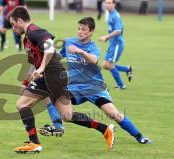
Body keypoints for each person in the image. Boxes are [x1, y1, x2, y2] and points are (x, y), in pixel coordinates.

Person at [9, 6, 115, 153]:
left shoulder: (34, 31)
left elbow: (50, 48)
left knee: (21, 105)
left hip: (50, 76)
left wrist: (41, 69)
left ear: (20, 20)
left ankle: (34, 143)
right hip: (57, 77)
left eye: (13, 25)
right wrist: (26, 82)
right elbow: (33, 64)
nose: (13, 29)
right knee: (67, 115)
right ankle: (105, 129)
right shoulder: (27, 39)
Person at [38, 17, 152, 145]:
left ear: (91, 32)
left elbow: (93, 60)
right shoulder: (69, 42)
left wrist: (79, 51)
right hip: (75, 88)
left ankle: (140, 137)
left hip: (94, 88)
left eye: (84, 30)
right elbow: (58, 56)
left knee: (114, 114)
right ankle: (57, 125)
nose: (80, 32)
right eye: (79, 29)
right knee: (56, 102)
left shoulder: (93, 47)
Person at [99, 0, 132, 89]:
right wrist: (108, 38)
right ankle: (127, 69)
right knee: (105, 65)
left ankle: (121, 85)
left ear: (114, 4)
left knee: (108, 65)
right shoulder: (110, 14)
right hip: (112, 43)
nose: (108, 4)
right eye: (106, 3)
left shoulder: (115, 16)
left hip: (117, 44)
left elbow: (118, 30)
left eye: (110, 3)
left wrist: (106, 37)